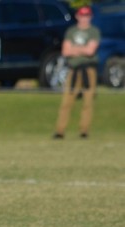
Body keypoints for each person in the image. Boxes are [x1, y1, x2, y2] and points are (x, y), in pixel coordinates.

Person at [53, 6, 101, 140]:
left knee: (88, 101)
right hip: (73, 70)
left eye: (87, 16)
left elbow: (91, 51)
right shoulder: (71, 31)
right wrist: (83, 49)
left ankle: (84, 131)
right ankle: (60, 131)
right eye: (82, 15)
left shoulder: (94, 31)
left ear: (90, 17)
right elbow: (65, 51)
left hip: (88, 70)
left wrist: (74, 48)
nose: (84, 19)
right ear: (78, 16)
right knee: (67, 101)